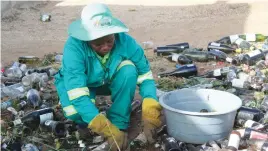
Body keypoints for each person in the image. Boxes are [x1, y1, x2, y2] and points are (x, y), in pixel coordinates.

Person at [54, 3, 162, 150]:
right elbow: (78, 94)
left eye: (109, 41)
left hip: (107, 79)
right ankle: (88, 125)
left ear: (114, 33)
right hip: (82, 83)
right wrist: (105, 129)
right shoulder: (74, 48)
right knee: (74, 111)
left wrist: (150, 110)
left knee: (129, 69)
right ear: (87, 39)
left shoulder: (125, 41)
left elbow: (146, 76)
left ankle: (118, 122)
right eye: (98, 43)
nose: (105, 47)